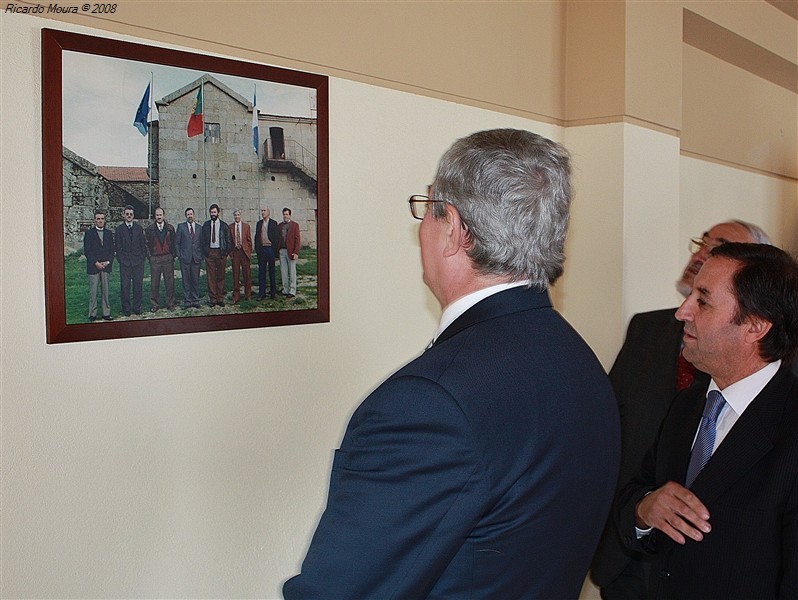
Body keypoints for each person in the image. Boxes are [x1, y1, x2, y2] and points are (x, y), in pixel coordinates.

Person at [283, 129, 621, 599]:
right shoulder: (580, 363)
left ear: (456, 230)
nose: (421, 226)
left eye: (427, 208)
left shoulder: (426, 405)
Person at [590, 220, 772, 599]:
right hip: (627, 557)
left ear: (755, 322)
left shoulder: (774, 391)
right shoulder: (649, 331)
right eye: (703, 243)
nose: (703, 253)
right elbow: (607, 431)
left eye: (721, 247)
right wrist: (640, 509)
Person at [114, 204, 148, 316]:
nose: (129, 216)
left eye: (131, 214)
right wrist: (121, 259)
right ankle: (126, 308)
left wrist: (142, 257)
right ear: (124, 215)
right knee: (125, 285)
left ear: (133, 216)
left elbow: (143, 245)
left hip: (138, 261)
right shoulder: (119, 229)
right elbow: (118, 247)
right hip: (125, 262)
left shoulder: (139, 228)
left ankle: (137, 307)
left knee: (138, 285)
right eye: (127, 214)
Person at [83, 208, 115, 322]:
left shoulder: (109, 233)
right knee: (93, 291)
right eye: (98, 219)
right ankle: (92, 313)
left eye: (102, 219)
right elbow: (87, 251)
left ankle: (106, 313)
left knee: (106, 291)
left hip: (106, 267)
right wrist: (96, 263)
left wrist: (107, 262)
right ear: (94, 220)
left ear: (105, 220)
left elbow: (112, 250)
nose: (100, 221)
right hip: (94, 267)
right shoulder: (89, 233)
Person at [145, 207, 177, 311]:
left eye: (160, 215)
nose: (159, 217)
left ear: (164, 215)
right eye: (157, 215)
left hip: (167, 257)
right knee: (155, 283)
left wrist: (173, 255)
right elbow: (146, 244)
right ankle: (155, 304)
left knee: (170, 282)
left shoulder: (170, 228)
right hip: (155, 258)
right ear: (155, 216)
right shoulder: (149, 229)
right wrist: (150, 257)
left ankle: (170, 303)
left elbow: (174, 243)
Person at [200, 203, 231, 307]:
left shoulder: (224, 225)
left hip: (220, 252)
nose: (213, 214)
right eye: (211, 212)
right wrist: (206, 252)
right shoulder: (206, 225)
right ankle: (213, 298)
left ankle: (220, 298)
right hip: (210, 253)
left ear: (218, 212)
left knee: (221, 275)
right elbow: (203, 240)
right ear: (210, 213)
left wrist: (225, 253)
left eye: (215, 212)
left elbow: (228, 240)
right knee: (211, 276)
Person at [174, 207, 203, 309]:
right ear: (185, 216)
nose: (190, 216)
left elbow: (201, 243)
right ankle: (187, 301)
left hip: (196, 258)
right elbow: (177, 243)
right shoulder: (181, 227)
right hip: (185, 258)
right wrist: (179, 255)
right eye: (188, 214)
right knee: (186, 281)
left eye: (191, 214)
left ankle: (195, 300)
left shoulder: (199, 228)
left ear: (194, 215)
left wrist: (200, 255)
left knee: (195, 280)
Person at [228, 208, 253, 304]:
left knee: (247, 274)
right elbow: (229, 241)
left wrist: (249, 252)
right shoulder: (230, 227)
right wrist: (231, 253)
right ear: (233, 216)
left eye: (238, 215)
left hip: (244, 252)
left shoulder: (246, 226)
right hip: (235, 253)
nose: (237, 217)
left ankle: (248, 294)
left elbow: (249, 241)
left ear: (240, 216)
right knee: (236, 275)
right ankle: (236, 295)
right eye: (235, 215)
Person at [254, 207, 279, 300]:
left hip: (270, 249)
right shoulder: (259, 223)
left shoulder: (273, 223)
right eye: (262, 211)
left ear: (269, 212)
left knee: (272, 271)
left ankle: (273, 293)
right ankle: (262, 294)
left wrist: (275, 251)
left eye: (264, 211)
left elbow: (277, 238)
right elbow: (256, 237)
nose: (263, 212)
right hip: (262, 250)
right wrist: (257, 249)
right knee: (261, 272)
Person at [277, 207, 300, 298]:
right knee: (284, 271)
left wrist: (296, 252)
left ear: (290, 215)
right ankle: (285, 289)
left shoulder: (294, 225)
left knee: (292, 271)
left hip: (291, 252)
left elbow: (297, 239)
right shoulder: (280, 225)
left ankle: (292, 290)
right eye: (284, 214)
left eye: (287, 214)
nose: (285, 216)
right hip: (282, 251)